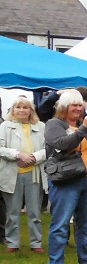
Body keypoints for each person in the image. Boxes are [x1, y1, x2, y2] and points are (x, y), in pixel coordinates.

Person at [44, 90, 87, 264]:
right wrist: (83, 129)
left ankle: (86, 262)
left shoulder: (83, 125)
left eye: (80, 105)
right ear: (64, 106)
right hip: (67, 180)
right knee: (61, 223)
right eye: (74, 105)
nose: (78, 109)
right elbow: (63, 144)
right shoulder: (54, 124)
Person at [0, 97, 47, 253]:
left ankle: (36, 243)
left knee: (34, 211)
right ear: (13, 110)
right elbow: (1, 148)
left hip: (34, 173)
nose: (21, 110)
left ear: (31, 111)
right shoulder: (5, 126)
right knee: (12, 211)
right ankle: (12, 242)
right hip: (12, 174)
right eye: (18, 107)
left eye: (25, 107)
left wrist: (33, 157)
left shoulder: (41, 126)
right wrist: (18, 155)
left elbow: (49, 148)